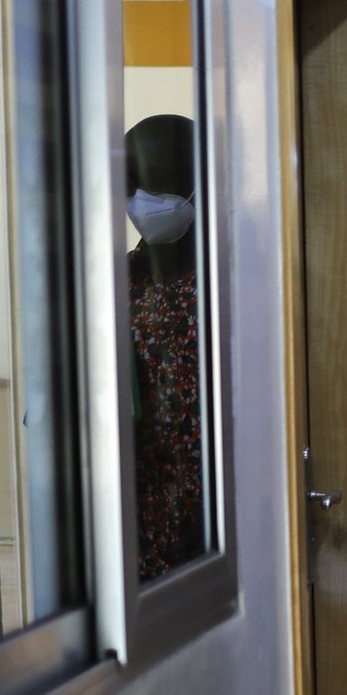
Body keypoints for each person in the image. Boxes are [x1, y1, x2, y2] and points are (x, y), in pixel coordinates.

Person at [124, 114, 206, 580]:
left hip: (215, 513)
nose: (139, 200)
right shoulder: (112, 282)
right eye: (131, 184)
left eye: (150, 182)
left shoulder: (233, 281)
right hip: (138, 508)